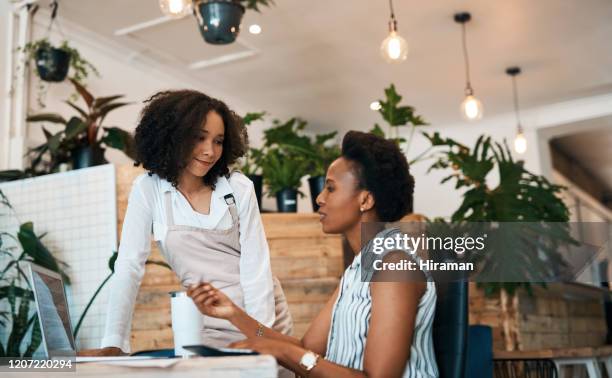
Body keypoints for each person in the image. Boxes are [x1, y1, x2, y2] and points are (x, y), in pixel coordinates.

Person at [188, 131, 439, 377]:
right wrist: (235, 314)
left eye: (330, 188)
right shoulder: (360, 268)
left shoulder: (395, 266)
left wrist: (282, 351)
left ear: (365, 200)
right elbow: (308, 349)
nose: (319, 198)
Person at [96, 90, 291, 355]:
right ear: (173, 136)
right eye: (199, 137)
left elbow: (256, 270)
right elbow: (129, 266)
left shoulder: (238, 189)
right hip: (206, 323)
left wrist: (261, 340)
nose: (210, 151)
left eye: (218, 141)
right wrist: (113, 343)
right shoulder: (148, 189)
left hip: (260, 320)